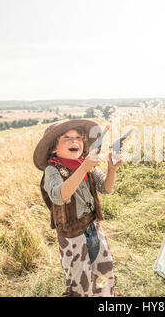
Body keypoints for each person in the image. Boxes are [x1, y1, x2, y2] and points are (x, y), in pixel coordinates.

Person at [33, 119, 122, 297]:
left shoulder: (85, 163)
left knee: (103, 271)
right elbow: (59, 196)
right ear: (53, 148)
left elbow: (106, 188)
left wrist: (111, 169)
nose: (75, 141)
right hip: (72, 235)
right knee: (80, 282)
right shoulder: (53, 170)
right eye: (67, 138)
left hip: (93, 228)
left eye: (78, 138)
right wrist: (83, 168)